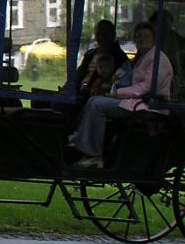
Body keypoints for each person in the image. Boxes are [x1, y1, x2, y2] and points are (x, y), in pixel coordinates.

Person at [70, 21, 174, 168]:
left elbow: (146, 87)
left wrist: (116, 93)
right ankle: (83, 139)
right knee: (94, 100)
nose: (141, 39)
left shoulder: (158, 60)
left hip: (149, 106)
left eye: (146, 36)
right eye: (138, 36)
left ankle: (93, 153)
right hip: (137, 103)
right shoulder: (144, 58)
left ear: (154, 38)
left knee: (97, 104)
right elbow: (131, 81)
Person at [76, 19, 130, 92]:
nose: (101, 37)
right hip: (78, 91)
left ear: (113, 35)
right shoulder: (90, 54)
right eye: (98, 34)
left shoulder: (119, 58)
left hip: (94, 94)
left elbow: (117, 85)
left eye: (105, 34)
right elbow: (78, 74)